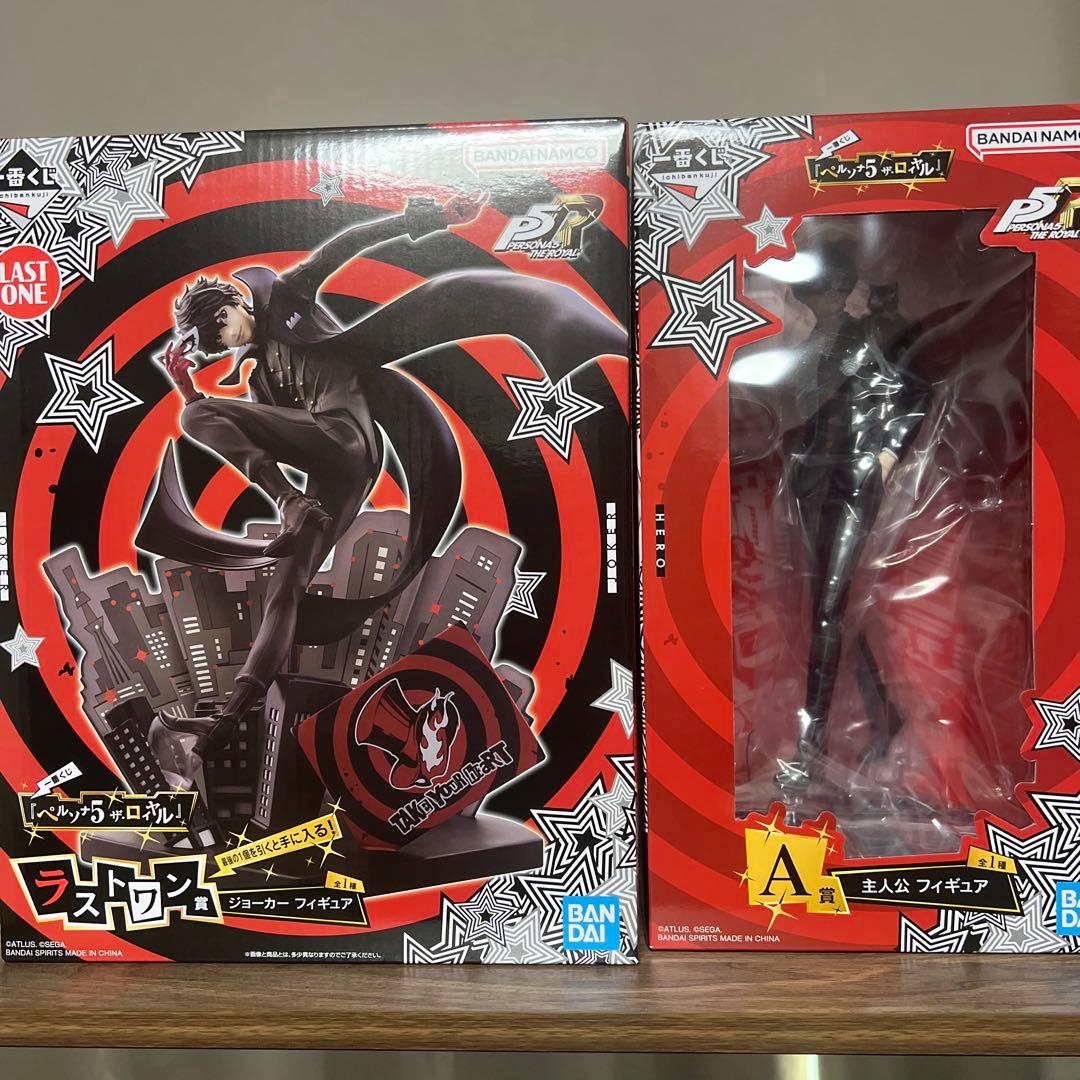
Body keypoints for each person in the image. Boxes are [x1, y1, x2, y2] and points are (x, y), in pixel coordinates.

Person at [137, 191, 625, 780]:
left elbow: (347, 244)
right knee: (284, 588)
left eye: (218, 333)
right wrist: (188, 388)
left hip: (347, 439)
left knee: (198, 415)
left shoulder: (286, 296)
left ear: (231, 307)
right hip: (333, 478)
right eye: (214, 346)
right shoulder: (261, 380)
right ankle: (230, 717)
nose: (223, 346)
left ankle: (291, 505)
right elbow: (259, 437)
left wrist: (429, 217)